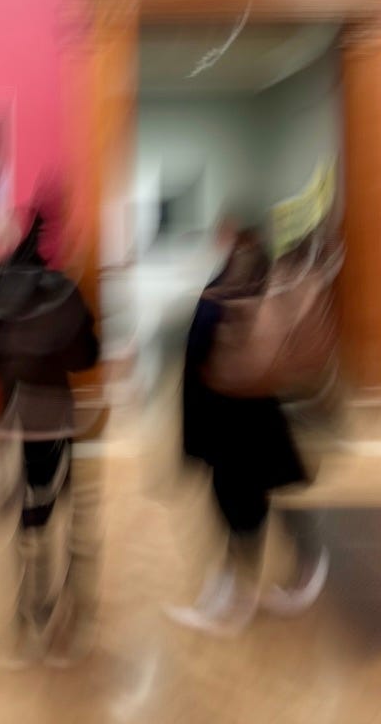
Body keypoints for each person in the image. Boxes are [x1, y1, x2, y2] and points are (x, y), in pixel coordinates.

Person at [168, 226, 331, 636]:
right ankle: (273, 579)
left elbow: (202, 353)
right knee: (262, 496)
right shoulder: (263, 282)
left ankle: (238, 595)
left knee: (241, 503)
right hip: (256, 410)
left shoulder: (229, 289)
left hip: (234, 414)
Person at [0, 205, 99, 667]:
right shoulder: (65, 289)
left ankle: (25, 618)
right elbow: (87, 356)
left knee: (26, 521)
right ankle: (62, 623)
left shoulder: (0, 286)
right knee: (66, 517)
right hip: (59, 417)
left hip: (15, 418)